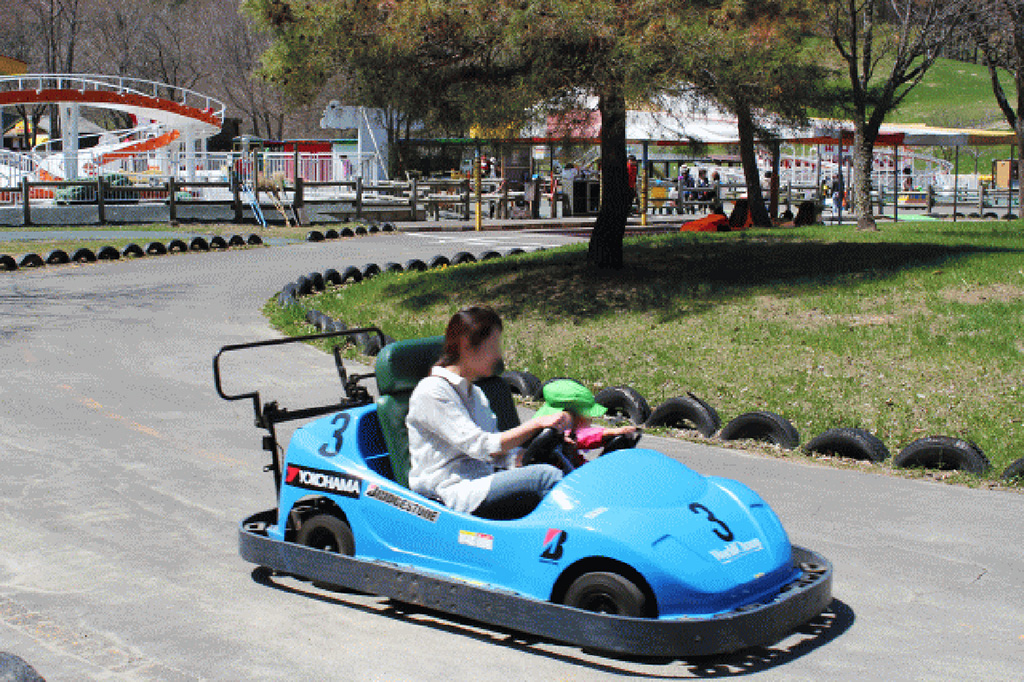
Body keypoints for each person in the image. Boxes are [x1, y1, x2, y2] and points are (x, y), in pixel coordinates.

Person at [406, 306, 570, 519]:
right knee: (546, 478)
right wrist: (536, 423)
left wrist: (529, 456)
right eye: (493, 346)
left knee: (553, 466)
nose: (498, 355)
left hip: (482, 481)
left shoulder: (476, 393)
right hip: (449, 492)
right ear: (467, 345)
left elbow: (497, 454)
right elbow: (481, 446)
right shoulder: (431, 392)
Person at [534, 380, 638, 466]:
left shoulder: (559, 432)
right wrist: (608, 433)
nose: (591, 418)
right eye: (587, 415)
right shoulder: (555, 433)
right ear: (572, 416)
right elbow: (583, 437)